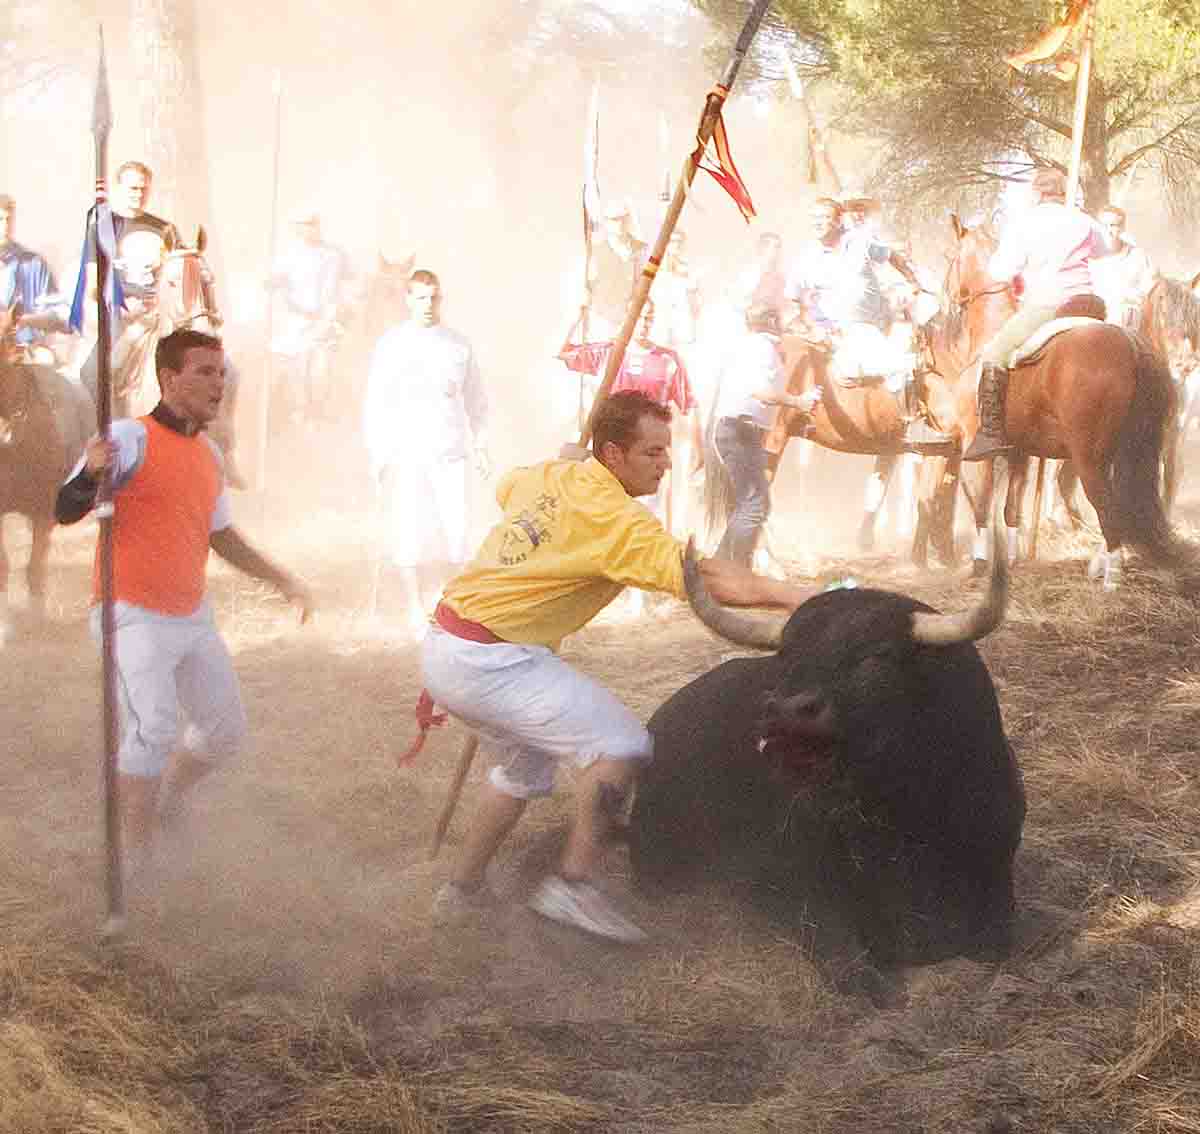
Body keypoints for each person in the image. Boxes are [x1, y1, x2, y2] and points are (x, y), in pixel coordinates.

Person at [422, 391, 811, 943]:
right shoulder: (618, 524)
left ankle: (459, 892)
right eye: (652, 452)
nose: (667, 463)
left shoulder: (549, 476)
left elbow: (506, 484)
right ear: (612, 453)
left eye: (666, 450)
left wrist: (565, 465)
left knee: (523, 770)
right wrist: (802, 597)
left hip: (449, 645)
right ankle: (572, 886)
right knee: (621, 746)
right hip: (493, 661)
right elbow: (711, 580)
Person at [54, 328, 313, 882]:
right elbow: (65, 508)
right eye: (204, 372)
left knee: (223, 731)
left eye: (221, 373)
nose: (219, 384)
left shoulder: (209, 454)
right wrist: (93, 474)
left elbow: (222, 537)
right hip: (129, 614)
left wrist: (282, 579)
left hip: (191, 615)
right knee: (154, 729)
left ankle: (166, 801)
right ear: (169, 378)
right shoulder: (129, 436)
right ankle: (136, 857)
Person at [363, 269, 489, 637]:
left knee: (457, 531)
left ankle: (451, 607)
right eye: (420, 298)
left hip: (450, 449)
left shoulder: (457, 345)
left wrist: (481, 445)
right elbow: (376, 403)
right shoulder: (391, 344)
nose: (428, 305)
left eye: (434, 298)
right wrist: (378, 453)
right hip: (407, 452)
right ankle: (414, 608)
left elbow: (477, 401)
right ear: (408, 299)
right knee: (409, 529)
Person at [964, 167, 1109, 460]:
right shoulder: (1084, 221)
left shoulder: (1026, 223)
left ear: (1038, 193)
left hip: (1048, 304)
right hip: (1089, 303)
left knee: (994, 353)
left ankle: (991, 432)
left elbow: (999, 271)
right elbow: (1103, 252)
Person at [785, 197, 949, 448]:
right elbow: (797, 300)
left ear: (838, 220)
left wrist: (912, 280)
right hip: (847, 331)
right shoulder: (805, 258)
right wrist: (814, 327)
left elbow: (892, 255)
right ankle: (913, 423)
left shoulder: (860, 242)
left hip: (878, 323)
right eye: (814, 218)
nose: (817, 223)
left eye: (824, 217)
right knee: (901, 364)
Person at [79, 161, 180, 400]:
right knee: (92, 373)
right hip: (121, 314)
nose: (139, 194)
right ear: (118, 188)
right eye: (133, 188)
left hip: (162, 314)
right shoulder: (101, 230)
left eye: (144, 189)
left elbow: (182, 274)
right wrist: (124, 307)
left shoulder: (165, 230)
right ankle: (102, 430)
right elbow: (93, 286)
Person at [708, 301, 788, 566]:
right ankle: (735, 570)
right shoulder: (763, 348)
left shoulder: (747, 346)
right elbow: (760, 392)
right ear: (771, 322)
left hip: (737, 430)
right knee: (755, 504)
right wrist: (798, 401)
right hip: (740, 431)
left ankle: (722, 565)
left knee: (751, 503)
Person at [266, 209, 348, 424]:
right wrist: (272, 283)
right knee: (290, 368)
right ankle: (292, 415)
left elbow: (346, 285)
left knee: (323, 369)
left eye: (313, 223)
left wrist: (336, 313)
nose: (310, 229)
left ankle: (320, 415)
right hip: (293, 324)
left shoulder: (334, 255)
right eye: (305, 224)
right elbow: (275, 282)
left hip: (326, 324)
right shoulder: (288, 255)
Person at [0, 194, 67, 356]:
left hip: (22, 351)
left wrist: (25, 320)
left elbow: (60, 315)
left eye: (8, 220)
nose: (5, 226)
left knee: (47, 359)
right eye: (0, 220)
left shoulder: (34, 264)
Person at [1091, 205, 1156, 331]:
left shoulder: (1138, 256)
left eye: (1113, 225)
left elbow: (1150, 291)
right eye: (1104, 226)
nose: (1108, 230)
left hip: (1130, 325)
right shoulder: (1091, 258)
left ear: (1122, 228)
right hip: (1097, 324)